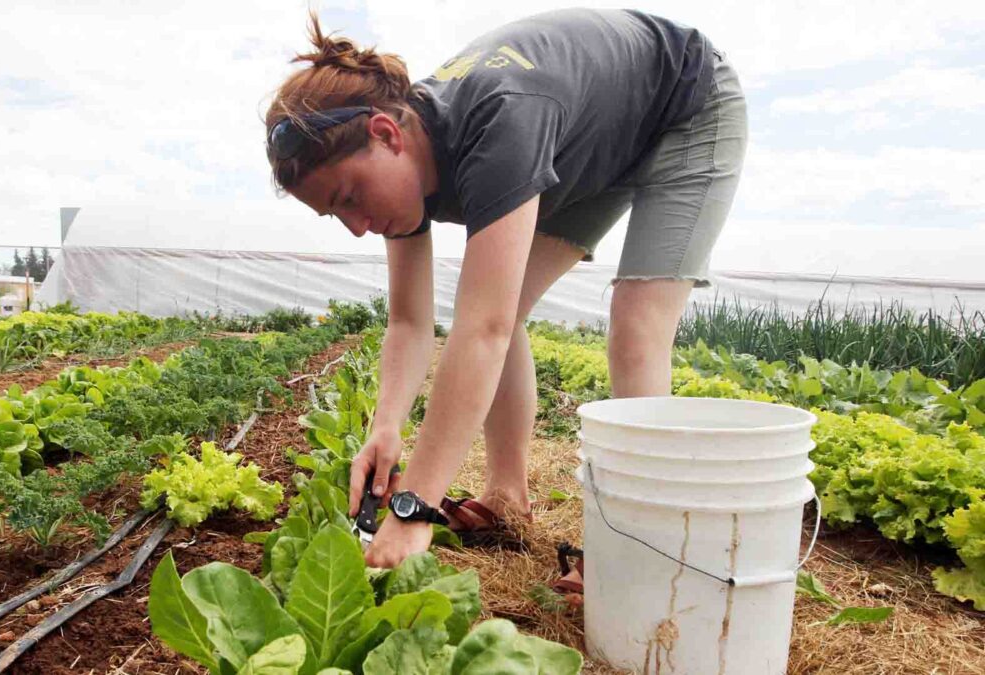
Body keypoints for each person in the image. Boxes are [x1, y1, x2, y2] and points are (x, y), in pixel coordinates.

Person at [264, 8, 747, 573]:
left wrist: (413, 505)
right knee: (506, 301)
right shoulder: (404, 165)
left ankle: (641, 550)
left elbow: (482, 330)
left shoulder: (500, 122)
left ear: (386, 134)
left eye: (349, 197)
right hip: (592, 136)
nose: (356, 225)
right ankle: (508, 498)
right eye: (333, 214)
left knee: (636, 325)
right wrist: (386, 427)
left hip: (685, 102)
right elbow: (409, 322)